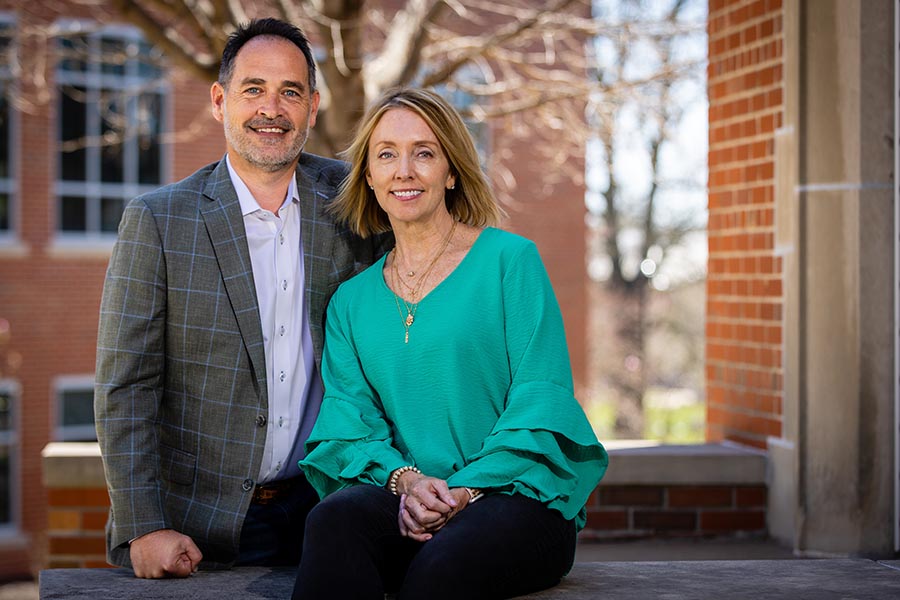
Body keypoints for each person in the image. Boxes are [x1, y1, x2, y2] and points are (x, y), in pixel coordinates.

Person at [94, 18, 387, 578]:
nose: (271, 109)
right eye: (254, 89)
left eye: (290, 92)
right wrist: (143, 524)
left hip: (329, 510)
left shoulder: (356, 204)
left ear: (314, 105)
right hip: (197, 530)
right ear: (220, 99)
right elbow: (125, 388)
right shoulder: (158, 221)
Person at [293, 88, 609, 600]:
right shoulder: (351, 302)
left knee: (441, 567)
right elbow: (351, 426)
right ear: (369, 178)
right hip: (410, 497)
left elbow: (540, 399)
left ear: (452, 171)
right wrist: (410, 483)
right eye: (387, 155)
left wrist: (464, 490)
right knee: (332, 522)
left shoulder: (510, 263)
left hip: (515, 495)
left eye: (424, 152)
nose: (405, 171)